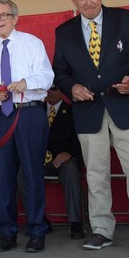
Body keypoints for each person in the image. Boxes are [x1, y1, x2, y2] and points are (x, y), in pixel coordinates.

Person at [53, 0, 129, 257]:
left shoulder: (126, 19)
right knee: (95, 174)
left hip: (126, 107)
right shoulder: (64, 31)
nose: (89, 2)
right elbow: (60, 72)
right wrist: (72, 88)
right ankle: (102, 229)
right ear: (73, 2)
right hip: (89, 111)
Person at [0, 0, 54, 253]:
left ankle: (36, 231)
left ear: (15, 18)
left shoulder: (32, 44)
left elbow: (46, 77)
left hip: (29, 114)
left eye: (3, 15)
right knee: (4, 176)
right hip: (0, 115)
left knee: (32, 174)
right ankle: (7, 232)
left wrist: (25, 82)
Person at [17, 85, 85, 239]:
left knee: (70, 168)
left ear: (62, 90)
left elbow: (80, 138)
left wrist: (68, 153)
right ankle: (37, 219)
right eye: (45, 88)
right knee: (20, 172)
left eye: (53, 88)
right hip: (35, 159)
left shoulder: (73, 110)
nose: (49, 91)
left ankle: (75, 222)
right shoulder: (34, 110)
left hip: (60, 160)